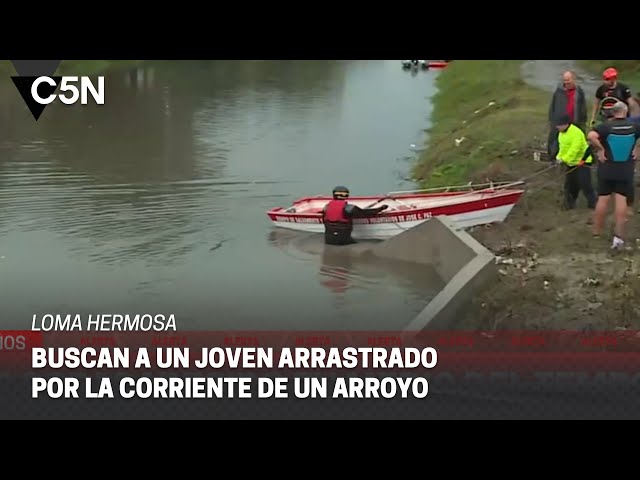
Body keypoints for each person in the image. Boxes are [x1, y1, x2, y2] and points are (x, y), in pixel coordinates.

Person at [587, 101, 640, 250]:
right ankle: (619, 234)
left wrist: (601, 148)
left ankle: (596, 232)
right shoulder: (634, 126)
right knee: (621, 201)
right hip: (624, 170)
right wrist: (636, 148)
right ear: (625, 111)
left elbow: (591, 135)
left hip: (607, 169)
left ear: (613, 112)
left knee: (602, 200)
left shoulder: (606, 126)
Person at [553, 113, 596, 209]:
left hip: (582, 162)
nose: (557, 127)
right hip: (571, 163)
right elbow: (562, 147)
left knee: (585, 184)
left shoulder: (577, 133)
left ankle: (593, 204)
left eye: (559, 125)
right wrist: (559, 157)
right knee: (570, 185)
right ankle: (569, 204)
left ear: (566, 124)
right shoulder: (561, 133)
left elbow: (574, 149)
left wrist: (564, 159)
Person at [321, 186, 388, 245]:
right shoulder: (349, 208)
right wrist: (381, 208)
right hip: (343, 240)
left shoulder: (326, 207)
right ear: (346, 195)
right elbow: (365, 213)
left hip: (328, 240)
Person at [547, 71, 588, 161]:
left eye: (568, 80)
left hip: (574, 121)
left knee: (574, 141)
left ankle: (573, 159)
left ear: (574, 79)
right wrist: (552, 118)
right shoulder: (559, 91)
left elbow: (582, 107)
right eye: (565, 80)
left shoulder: (579, 91)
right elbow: (553, 105)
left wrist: (583, 120)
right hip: (560, 121)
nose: (566, 82)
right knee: (555, 140)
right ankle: (553, 158)